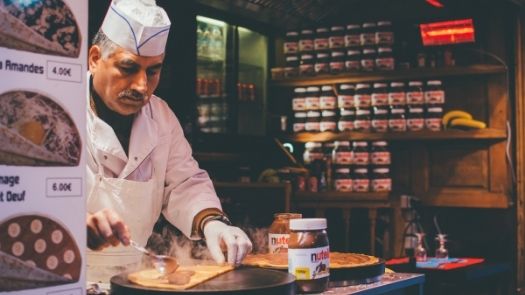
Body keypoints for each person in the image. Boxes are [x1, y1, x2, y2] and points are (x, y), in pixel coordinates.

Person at [86, 0, 252, 284]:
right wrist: (72, 223)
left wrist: (213, 223)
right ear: (94, 58)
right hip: (63, 274)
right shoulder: (58, 110)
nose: (141, 85)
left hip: (131, 280)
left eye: (153, 71)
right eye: (128, 68)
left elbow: (184, 182)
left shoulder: (160, 116)